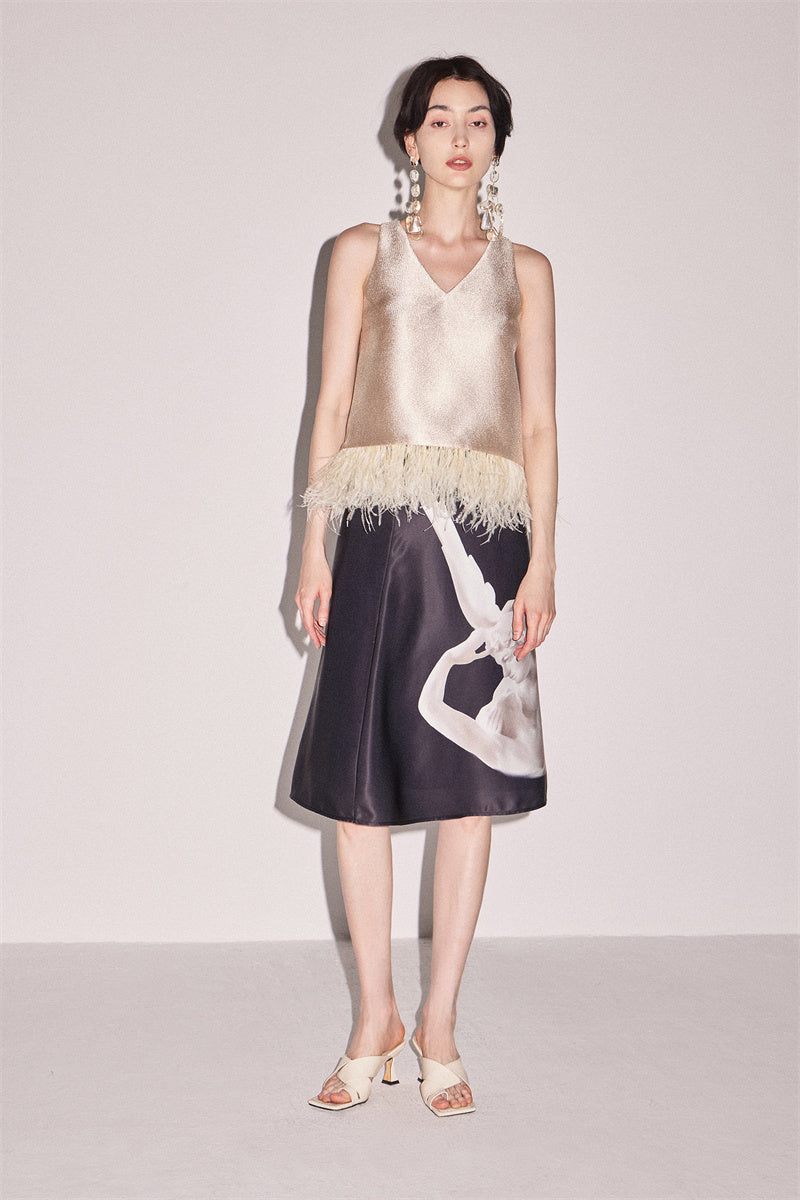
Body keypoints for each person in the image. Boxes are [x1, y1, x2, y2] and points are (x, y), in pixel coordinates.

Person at [290, 55, 557, 1117]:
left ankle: (440, 1023)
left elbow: (538, 425)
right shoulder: (360, 253)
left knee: (469, 785)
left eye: (476, 121)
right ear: (409, 140)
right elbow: (330, 405)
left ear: (495, 142)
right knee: (358, 784)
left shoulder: (526, 271)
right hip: (376, 533)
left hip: (487, 539)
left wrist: (544, 561)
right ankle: (376, 1017)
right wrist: (311, 548)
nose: (457, 137)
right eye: (438, 119)